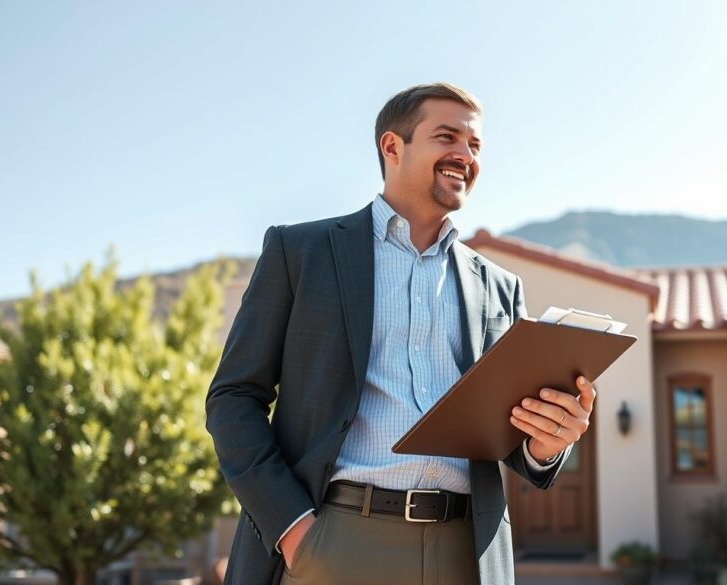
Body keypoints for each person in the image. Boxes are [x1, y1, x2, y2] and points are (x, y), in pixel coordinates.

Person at [205, 82, 596, 585]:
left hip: (466, 552)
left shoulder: (501, 288)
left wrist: (548, 441)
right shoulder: (300, 253)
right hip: (334, 542)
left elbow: (513, 439)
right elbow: (234, 398)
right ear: (392, 147)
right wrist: (292, 529)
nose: (465, 155)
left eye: (475, 146)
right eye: (447, 137)